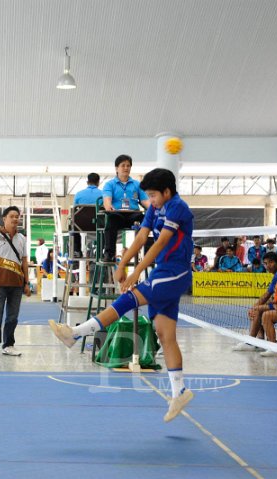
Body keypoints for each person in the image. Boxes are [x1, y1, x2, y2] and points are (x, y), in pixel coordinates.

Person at [49, 168, 194, 422]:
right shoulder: (155, 208)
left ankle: (75, 333)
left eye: (153, 195)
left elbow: (159, 243)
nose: (150, 199)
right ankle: (179, 391)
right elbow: (141, 237)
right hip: (163, 271)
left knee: (128, 298)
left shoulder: (178, 207)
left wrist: (136, 271)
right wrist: (121, 264)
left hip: (175, 272)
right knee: (164, 333)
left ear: (167, 192)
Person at [0, 206, 30, 358]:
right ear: (4, 219)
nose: (15, 219)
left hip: (17, 285)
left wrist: (27, 283)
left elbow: (24, 262)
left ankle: (9, 345)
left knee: (12, 317)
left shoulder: (22, 239)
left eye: (17, 216)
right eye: (12, 216)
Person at [233, 252, 277, 351]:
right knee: (258, 309)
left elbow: (267, 295)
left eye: (270, 262)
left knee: (257, 310)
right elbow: (270, 295)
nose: (268, 266)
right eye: (265, 263)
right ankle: (259, 341)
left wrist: (254, 307)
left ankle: (251, 342)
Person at [101, 155, 149, 262]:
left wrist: (154, 209)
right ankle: (109, 254)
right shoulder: (110, 184)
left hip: (133, 215)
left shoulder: (137, 184)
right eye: (123, 165)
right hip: (117, 214)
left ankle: (147, 253)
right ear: (116, 168)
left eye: (128, 166)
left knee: (146, 219)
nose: (126, 168)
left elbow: (145, 201)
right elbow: (107, 199)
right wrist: (108, 206)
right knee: (111, 220)